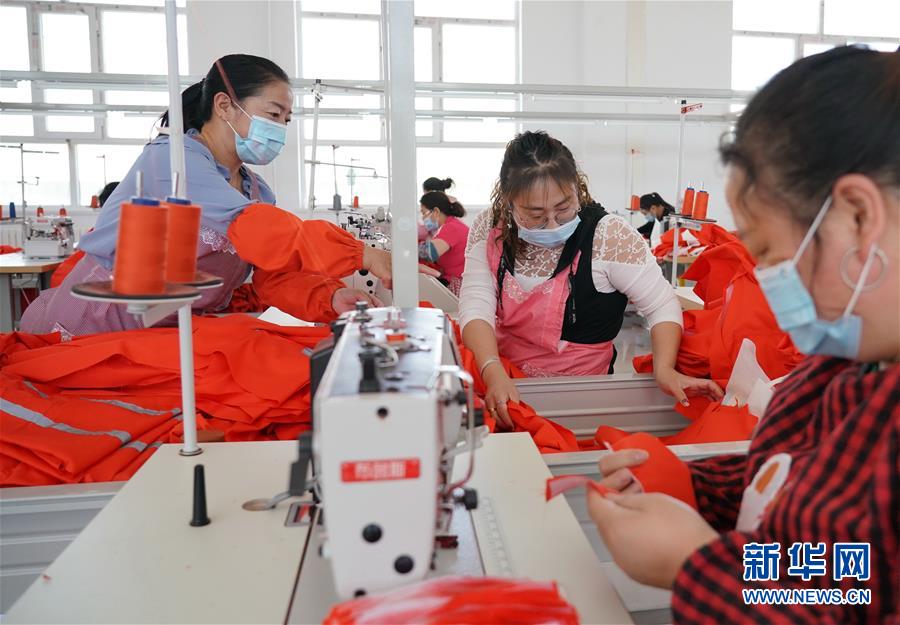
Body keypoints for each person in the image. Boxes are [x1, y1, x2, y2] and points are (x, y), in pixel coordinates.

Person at [588, 46, 899, 624]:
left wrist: (695, 565)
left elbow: (846, 595)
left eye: (772, 254)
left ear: (859, 216)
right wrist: (695, 487)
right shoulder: (843, 363)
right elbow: (815, 526)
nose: (770, 282)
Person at [21, 54, 398, 336]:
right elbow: (257, 229)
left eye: (286, 120)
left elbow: (274, 277)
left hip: (171, 330)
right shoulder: (172, 161)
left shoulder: (257, 192)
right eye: (273, 114)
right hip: (100, 322)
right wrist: (360, 253)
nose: (281, 129)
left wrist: (330, 298)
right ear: (224, 106)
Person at [460, 131, 722, 426]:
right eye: (535, 214)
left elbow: (662, 305)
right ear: (509, 202)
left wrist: (664, 367)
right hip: (503, 382)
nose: (552, 224)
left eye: (563, 208)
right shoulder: (491, 228)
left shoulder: (608, 236)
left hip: (582, 396)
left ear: (577, 188)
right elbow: (475, 307)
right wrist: (492, 368)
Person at [418, 191, 469, 295]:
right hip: (452, 279)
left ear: (436, 211)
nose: (423, 218)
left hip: (457, 284)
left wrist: (405, 250)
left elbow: (430, 252)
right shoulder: (449, 225)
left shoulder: (452, 227)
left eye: (424, 213)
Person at [418, 177, 457, 242]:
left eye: (425, 193)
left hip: (439, 242)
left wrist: (423, 223)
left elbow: (421, 233)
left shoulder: (434, 207)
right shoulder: (453, 203)